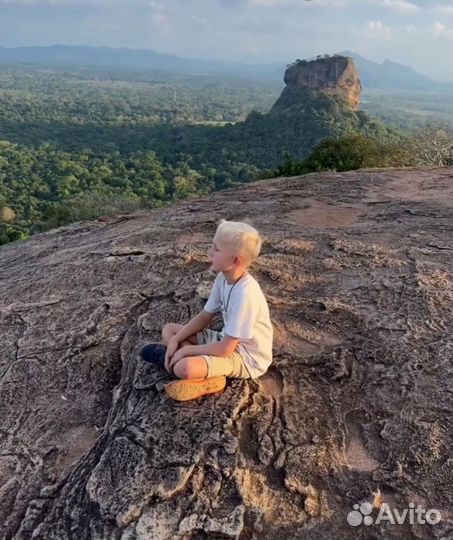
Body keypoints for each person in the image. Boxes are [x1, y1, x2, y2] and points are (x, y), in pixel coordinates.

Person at [139, 218, 273, 401]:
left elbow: (226, 349)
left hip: (246, 358)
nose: (209, 252)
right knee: (169, 330)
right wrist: (176, 340)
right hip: (226, 340)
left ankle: (210, 379)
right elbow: (205, 316)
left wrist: (185, 351)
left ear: (235, 261)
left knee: (184, 367)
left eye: (216, 249)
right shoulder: (223, 278)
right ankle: (186, 360)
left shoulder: (245, 295)